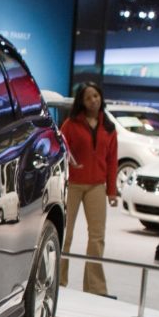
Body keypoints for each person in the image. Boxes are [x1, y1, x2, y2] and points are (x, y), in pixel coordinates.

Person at [59, 82, 118, 297]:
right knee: (65, 235)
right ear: (81, 102)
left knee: (97, 237)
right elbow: (62, 151)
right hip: (72, 185)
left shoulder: (109, 127)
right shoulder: (70, 124)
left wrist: (112, 191)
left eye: (96, 96)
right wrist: (70, 166)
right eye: (88, 97)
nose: (94, 100)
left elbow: (112, 161)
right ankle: (58, 281)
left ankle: (95, 288)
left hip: (97, 186)